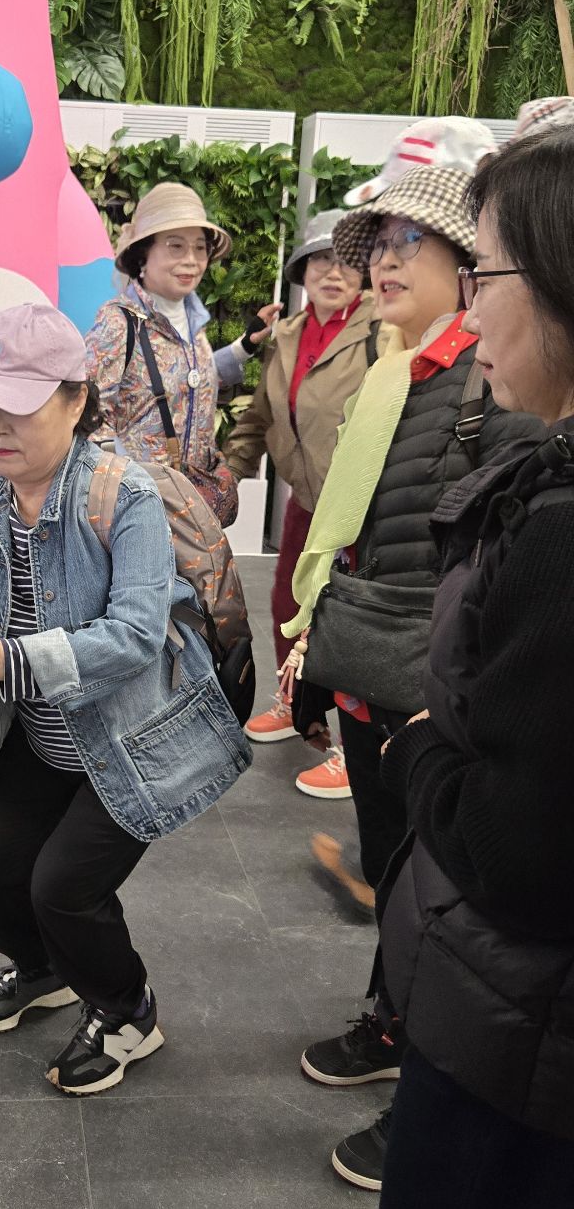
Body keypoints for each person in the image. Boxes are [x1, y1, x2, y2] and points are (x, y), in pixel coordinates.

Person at [0, 301, 251, 1096]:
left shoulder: (124, 495)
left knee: (64, 888)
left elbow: (137, 634)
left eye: (17, 404)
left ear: (77, 401)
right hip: (40, 737)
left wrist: (6, 659)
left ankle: (127, 1010)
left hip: (132, 744)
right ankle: (44, 970)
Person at [357, 125, 574, 1209]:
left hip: (516, 1033)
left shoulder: (555, 527)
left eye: (481, 271)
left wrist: (424, 737)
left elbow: (518, 848)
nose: (472, 307)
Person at [282, 121, 540, 1185]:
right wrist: (319, 634)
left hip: (430, 677)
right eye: (376, 244)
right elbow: (363, 528)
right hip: (371, 657)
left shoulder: (493, 379)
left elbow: (484, 556)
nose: (383, 262)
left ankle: (424, 1070)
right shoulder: (391, 369)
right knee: (391, 861)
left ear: (473, 267)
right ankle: (392, 1019)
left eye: (409, 244)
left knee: (432, 888)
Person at [223, 209, 382, 805]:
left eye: (346, 262)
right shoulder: (287, 335)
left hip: (362, 507)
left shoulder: (383, 330)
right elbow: (261, 416)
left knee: (348, 623)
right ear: (301, 271)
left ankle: (355, 748)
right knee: (288, 605)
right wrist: (225, 479)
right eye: (320, 261)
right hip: (307, 500)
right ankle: (296, 705)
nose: (332, 272)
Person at [84, 181, 280, 525]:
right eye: (175, 246)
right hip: (139, 513)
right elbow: (85, 415)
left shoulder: (193, 322)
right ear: (143, 254)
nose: (191, 260)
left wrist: (244, 346)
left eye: (200, 248)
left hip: (192, 508)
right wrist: (117, 492)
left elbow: (189, 381)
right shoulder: (120, 323)